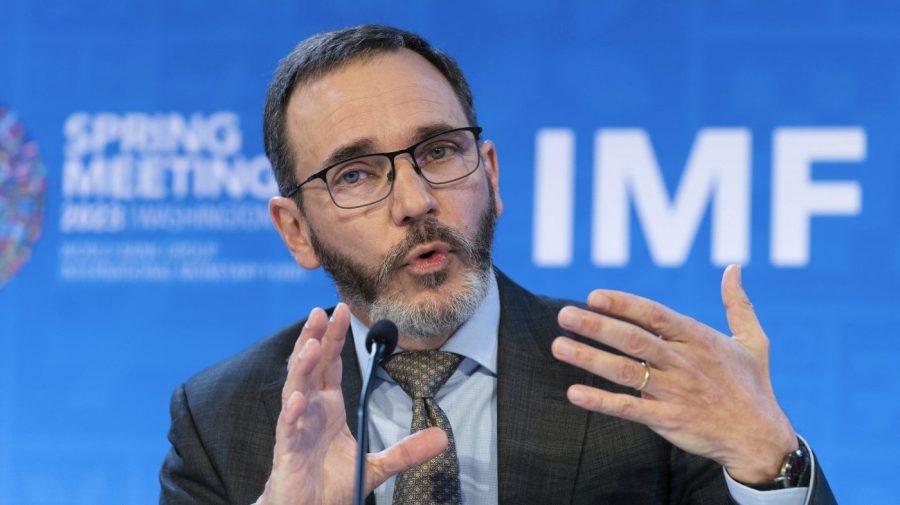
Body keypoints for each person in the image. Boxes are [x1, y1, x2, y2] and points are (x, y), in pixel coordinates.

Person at [159, 24, 836, 505]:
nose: (416, 201)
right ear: (296, 230)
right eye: (357, 174)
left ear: (490, 174)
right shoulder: (222, 420)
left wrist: (769, 459)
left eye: (439, 151)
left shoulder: (640, 380)